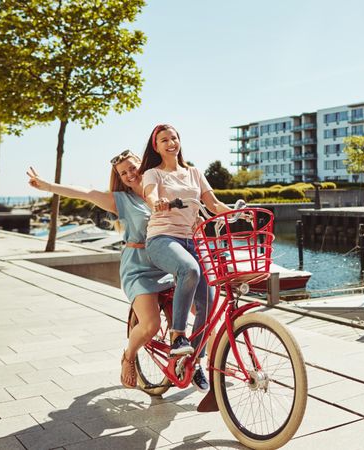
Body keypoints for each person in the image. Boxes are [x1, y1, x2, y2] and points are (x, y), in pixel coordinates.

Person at [26, 150, 173, 390]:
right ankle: (129, 356)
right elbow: (87, 193)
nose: (129, 175)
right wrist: (46, 186)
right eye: (123, 173)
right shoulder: (120, 200)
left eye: (132, 168)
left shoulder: (160, 188)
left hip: (166, 262)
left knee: (195, 309)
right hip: (139, 268)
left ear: (143, 165)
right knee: (150, 326)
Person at [139, 124, 233, 393]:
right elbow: (150, 194)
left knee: (211, 303)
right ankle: (178, 337)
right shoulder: (153, 173)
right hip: (162, 239)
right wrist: (157, 202)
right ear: (156, 146)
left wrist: (241, 213)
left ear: (180, 141)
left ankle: (195, 362)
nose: (170, 143)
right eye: (164, 140)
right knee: (189, 269)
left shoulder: (194, 172)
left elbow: (213, 204)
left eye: (174, 138)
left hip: (193, 240)